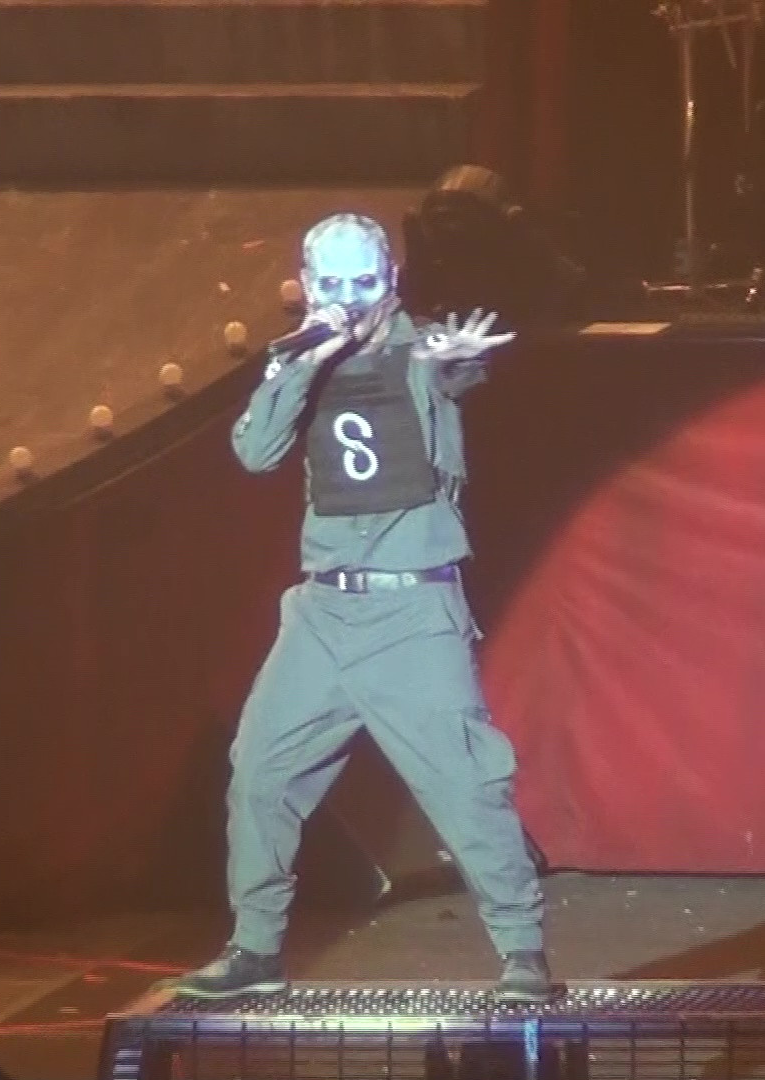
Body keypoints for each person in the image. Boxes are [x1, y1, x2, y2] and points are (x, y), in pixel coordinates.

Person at [176, 213, 553, 1002]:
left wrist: (458, 360)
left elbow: (455, 371)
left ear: (391, 281)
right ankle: (255, 950)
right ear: (308, 286)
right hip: (321, 616)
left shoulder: (421, 349)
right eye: (333, 285)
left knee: (465, 784)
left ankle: (523, 952)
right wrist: (305, 359)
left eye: (365, 283)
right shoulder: (302, 359)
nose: (350, 299)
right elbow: (255, 453)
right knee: (261, 771)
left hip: (412, 614)